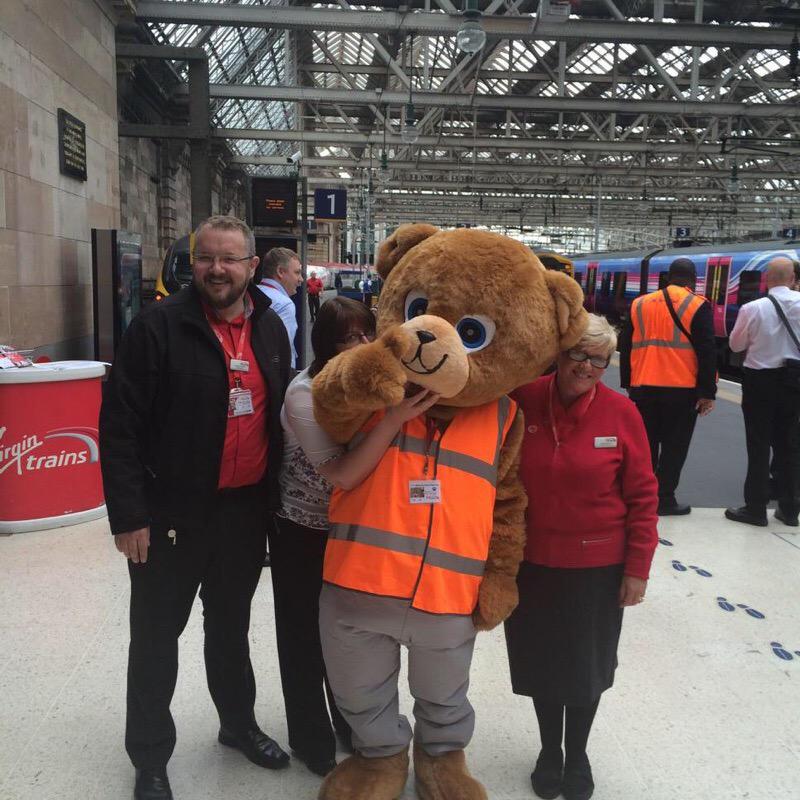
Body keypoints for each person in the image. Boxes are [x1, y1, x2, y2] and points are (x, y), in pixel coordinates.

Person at [99, 215, 292, 800]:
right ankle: (151, 756)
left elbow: (281, 418)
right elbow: (120, 428)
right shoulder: (158, 327)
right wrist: (130, 516)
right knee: (157, 636)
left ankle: (237, 724)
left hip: (242, 511)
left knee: (230, 629)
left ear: (251, 266)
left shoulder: (271, 331)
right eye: (206, 257)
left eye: (229, 258)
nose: (216, 269)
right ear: (194, 261)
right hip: (170, 515)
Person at [271, 297, 439, 778]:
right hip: (303, 530)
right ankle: (309, 734)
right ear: (326, 345)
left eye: (368, 333)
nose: (362, 345)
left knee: (348, 640)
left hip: (356, 531)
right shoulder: (305, 395)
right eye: (348, 337)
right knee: (303, 638)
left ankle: (350, 724)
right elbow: (342, 475)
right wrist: (393, 420)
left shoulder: (374, 385)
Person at [505, 314, 658, 800]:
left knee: (586, 666)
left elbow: (643, 496)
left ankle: (580, 751)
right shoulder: (523, 400)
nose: (587, 366)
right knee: (542, 663)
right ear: (559, 353)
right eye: (579, 354)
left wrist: (637, 569)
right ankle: (551, 750)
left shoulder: (622, 413)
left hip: (597, 566)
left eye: (600, 359)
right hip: (531, 562)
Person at [619, 257, 716, 516]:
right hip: (681, 390)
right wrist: (708, 393)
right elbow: (707, 351)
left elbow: (625, 345)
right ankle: (665, 498)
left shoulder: (639, 304)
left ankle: (642, 497)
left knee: (645, 445)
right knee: (675, 446)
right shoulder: (697, 305)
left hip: (643, 386)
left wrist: (627, 382)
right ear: (693, 280)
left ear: (666, 278)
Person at [725, 257, 800, 527]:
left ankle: (755, 509)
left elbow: (735, 345)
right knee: (790, 444)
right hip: (794, 381)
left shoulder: (752, 308)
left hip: (760, 382)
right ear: (793, 279)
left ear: (767, 279)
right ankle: (790, 510)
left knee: (758, 444)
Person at [258, 247, 303, 368]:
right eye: (297, 272)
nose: (301, 279)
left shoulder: (252, 293)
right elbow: (283, 352)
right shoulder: (284, 304)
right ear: (280, 272)